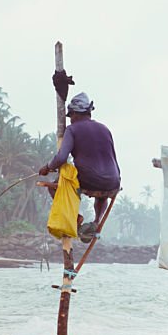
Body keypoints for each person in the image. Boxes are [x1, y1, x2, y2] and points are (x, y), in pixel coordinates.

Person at [39, 91, 121, 240]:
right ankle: (96, 221)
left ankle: (76, 218)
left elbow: (61, 157)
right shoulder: (105, 128)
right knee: (103, 194)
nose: (70, 120)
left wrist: (47, 167)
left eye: (71, 116)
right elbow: (114, 157)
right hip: (113, 182)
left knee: (55, 186)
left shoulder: (72, 129)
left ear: (76, 114)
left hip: (89, 180)